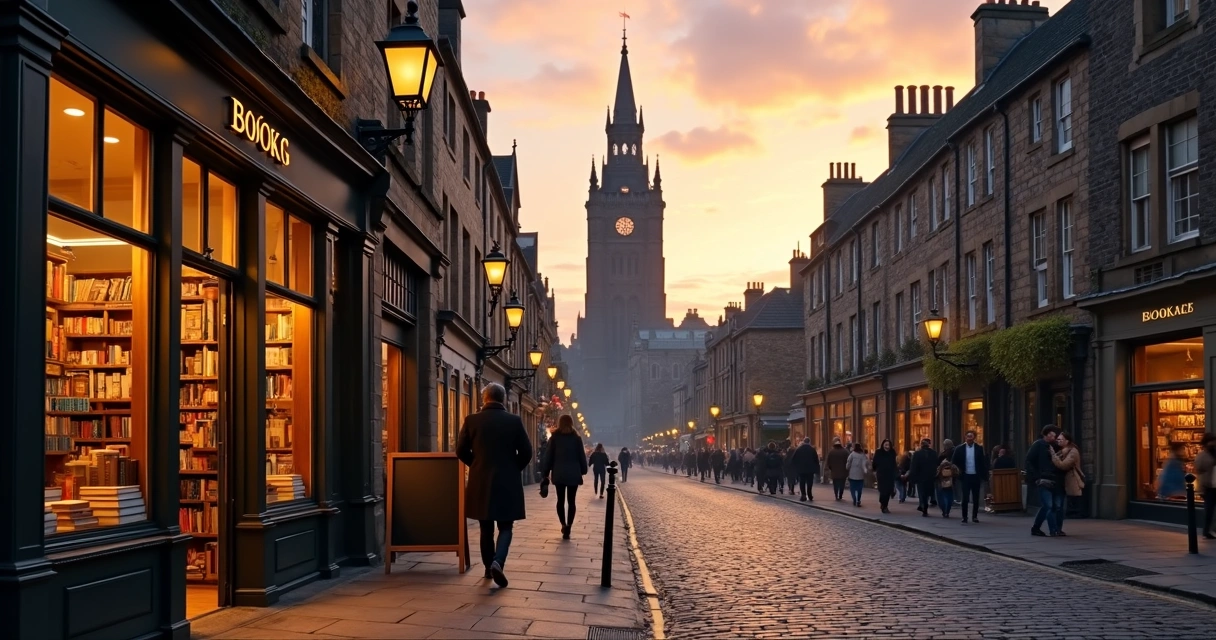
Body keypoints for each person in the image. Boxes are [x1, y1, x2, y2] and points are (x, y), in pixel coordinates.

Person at [457, 383, 533, 588]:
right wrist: (513, 468)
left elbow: (460, 450)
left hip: (481, 479)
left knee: (485, 527)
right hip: (507, 480)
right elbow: (527, 452)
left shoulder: (472, 421)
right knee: (506, 526)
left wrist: (476, 464)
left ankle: (488, 567)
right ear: (503, 400)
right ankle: (498, 561)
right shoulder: (514, 421)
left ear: (484, 398)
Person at [541, 414, 587, 543]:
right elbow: (581, 456)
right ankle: (569, 526)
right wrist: (583, 470)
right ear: (571, 423)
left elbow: (548, 455)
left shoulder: (555, 437)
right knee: (571, 501)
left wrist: (545, 472)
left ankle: (563, 524)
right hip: (573, 473)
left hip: (559, 473)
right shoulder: (576, 438)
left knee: (560, 500)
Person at [1025, 425, 1064, 537]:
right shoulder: (1038, 445)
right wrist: (1036, 477)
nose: (1054, 437)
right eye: (1052, 435)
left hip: (1054, 480)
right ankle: (1036, 528)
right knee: (1048, 505)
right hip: (1043, 479)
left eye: (1055, 435)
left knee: (1052, 506)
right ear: (1046, 435)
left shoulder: (1055, 446)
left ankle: (1051, 529)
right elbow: (1029, 460)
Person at [951, 430, 989, 524]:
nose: (969, 438)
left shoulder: (979, 448)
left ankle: (974, 516)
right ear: (965, 437)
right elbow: (954, 462)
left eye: (971, 436)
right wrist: (957, 473)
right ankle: (964, 517)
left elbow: (983, 463)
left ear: (974, 438)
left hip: (976, 476)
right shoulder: (959, 448)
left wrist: (984, 476)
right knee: (965, 498)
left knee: (976, 498)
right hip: (965, 476)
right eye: (967, 436)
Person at [1051, 432, 1083, 536]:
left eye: (1060, 439)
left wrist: (1053, 456)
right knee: (1057, 505)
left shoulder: (1073, 452)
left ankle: (1058, 528)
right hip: (1060, 481)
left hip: (1069, 481)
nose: (1058, 441)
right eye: (1058, 440)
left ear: (1067, 441)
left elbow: (1063, 465)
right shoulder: (1061, 451)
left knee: (1060, 505)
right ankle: (1056, 528)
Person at [909, 439, 938, 517]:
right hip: (930, 477)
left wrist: (912, 478)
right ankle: (924, 506)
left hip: (920, 477)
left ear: (921, 445)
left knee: (922, 493)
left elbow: (913, 467)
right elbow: (936, 465)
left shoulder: (917, 454)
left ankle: (923, 506)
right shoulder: (934, 453)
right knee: (928, 492)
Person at [1194, 434, 1216, 539]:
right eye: (1212, 441)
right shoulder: (1202, 455)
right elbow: (1198, 468)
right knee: (1209, 509)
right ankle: (1206, 530)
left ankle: (1208, 530)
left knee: (1210, 509)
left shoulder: (1213, 453)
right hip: (1208, 486)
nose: (1214, 443)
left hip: (1213, 484)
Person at [873, 439, 898, 513]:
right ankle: (882, 503)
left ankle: (885, 505)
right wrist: (875, 469)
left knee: (888, 490)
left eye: (888, 445)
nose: (887, 446)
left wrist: (895, 472)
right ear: (883, 445)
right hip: (881, 474)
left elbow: (894, 463)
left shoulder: (892, 452)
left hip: (890, 474)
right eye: (886, 445)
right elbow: (875, 462)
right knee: (882, 490)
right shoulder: (879, 452)